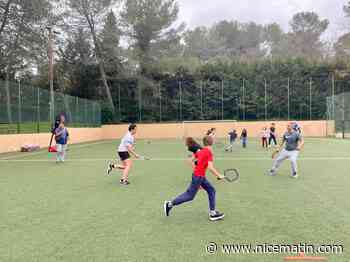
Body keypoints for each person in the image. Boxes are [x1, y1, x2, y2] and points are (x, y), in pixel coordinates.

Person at [164, 136, 225, 221]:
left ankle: (212, 212)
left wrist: (198, 167)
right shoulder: (209, 152)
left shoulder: (201, 151)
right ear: (212, 142)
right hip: (199, 177)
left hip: (199, 176)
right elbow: (210, 167)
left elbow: (191, 160)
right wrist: (219, 175)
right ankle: (170, 204)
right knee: (189, 196)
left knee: (211, 190)